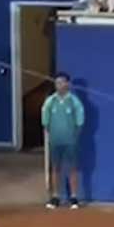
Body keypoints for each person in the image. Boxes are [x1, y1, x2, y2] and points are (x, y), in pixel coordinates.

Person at [42, 74, 86, 209]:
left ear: (68, 84)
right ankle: (55, 197)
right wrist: (52, 134)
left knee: (72, 168)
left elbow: (80, 121)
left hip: (70, 141)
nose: (59, 85)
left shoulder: (74, 101)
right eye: (57, 83)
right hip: (55, 141)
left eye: (61, 83)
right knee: (55, 168)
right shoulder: (50, 101)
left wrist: (74, 136)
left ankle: (73, 197)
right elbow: (45, 121)